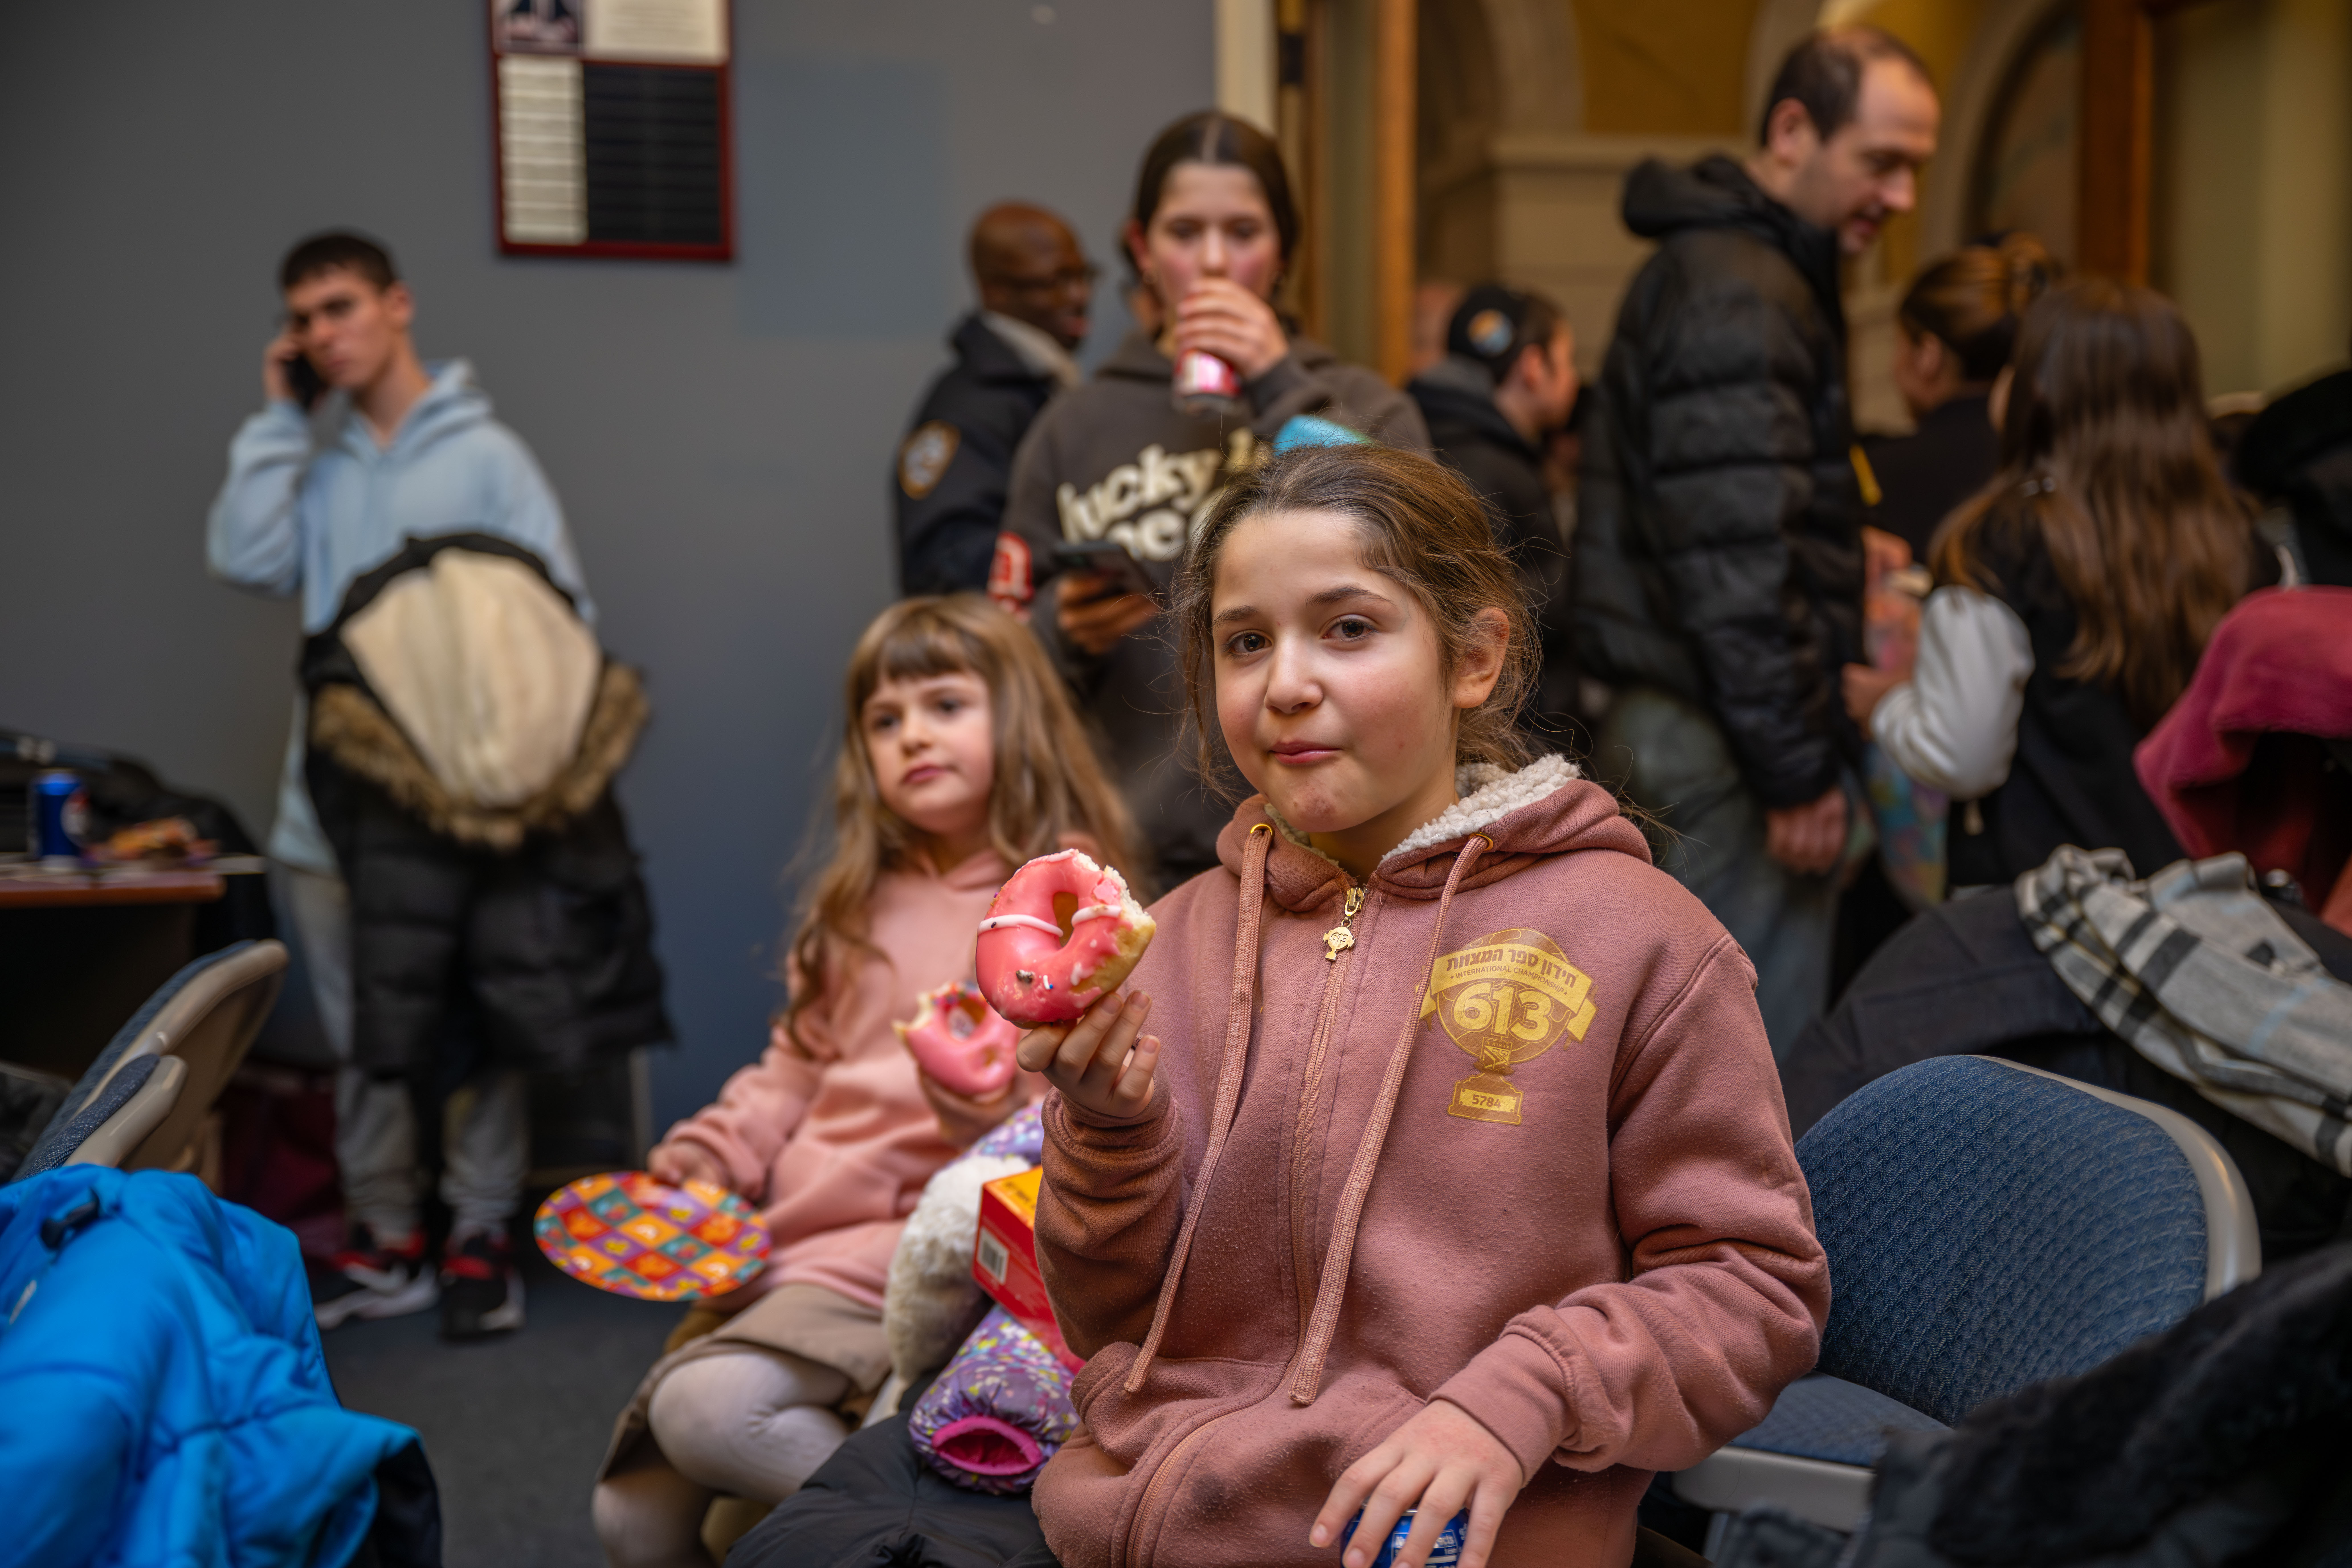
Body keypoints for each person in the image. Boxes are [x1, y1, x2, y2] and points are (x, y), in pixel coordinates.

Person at [1015, 445, 1828, 1568]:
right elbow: (1113, 1324)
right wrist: (1108, 1132)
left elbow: (1753, 1288)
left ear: (1476, 657)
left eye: (1349, 628)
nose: (1287, 681)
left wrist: (1524, 1393)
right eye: (1246, 640)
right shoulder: (1176, 940)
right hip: (1143, 1524)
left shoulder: (1641, 938)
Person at [592, 595, 1136, 1568]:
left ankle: (939, 1525)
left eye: (944, 705)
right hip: (784, 1243)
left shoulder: (1070, 921)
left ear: (1019, 717)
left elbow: (1078, 1123)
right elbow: (790, 1071)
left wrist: (982, 1110)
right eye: (884, 721)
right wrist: (709, 1155)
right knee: (630, 1519)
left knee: (706, 1415)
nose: (912, 735)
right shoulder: (851, 908)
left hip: (915, 1257)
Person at [208, 230, 594, 1337]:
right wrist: (280, 418)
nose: (323, 333)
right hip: (326, 812)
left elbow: (565, 617)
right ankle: (388, 1239)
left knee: (475, 1019)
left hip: (455, 810)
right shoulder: (314, 467)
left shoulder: (489, 458)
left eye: (339, 307)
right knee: (367, 1036)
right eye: (304, 318)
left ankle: (478, 1233)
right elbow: (245, 556)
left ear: (397, 304)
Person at [1574, 28, 1940, 1055]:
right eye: (1882, 161)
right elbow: (1736, 558)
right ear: (1792, 132)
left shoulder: (1736, 266)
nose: (1903, 194)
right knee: (1736, 1064)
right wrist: (1795, 767)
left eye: (1915, 166)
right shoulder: (1743, 286)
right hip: (1725, 730)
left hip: (1700, 711)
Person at [998, 110, 1430, 888]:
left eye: (1243, 232)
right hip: (1131, 850)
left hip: (1338, 843)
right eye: (1184, 233)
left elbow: (1427, 566)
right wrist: (1055, 631)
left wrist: (1278, 386)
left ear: (1284, 253)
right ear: (1141, 249)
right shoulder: (1074, 426)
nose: (1213, 263)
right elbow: (1000, 655)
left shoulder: (1362, 403)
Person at [1843, 280, 2271, 890]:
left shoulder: (1995, 544)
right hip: (2207, 898)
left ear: (2037, 390)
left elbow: (1963, 752)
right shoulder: (2245, 545)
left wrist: (1885, 704)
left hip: (2051, 910)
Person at [1408, 284, 1582, 736]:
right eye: (1568, 360)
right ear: (1532, 368)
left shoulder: (1434, 441)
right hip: (1513, 735)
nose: (1575, 378)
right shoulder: (1496, 471)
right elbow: (1513, 614)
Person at [897, 204, 1095, 598]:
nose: (1079, 295)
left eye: (1083, 276)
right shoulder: (968, 410)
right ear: (996, 292)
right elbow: (945, 564)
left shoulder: (1046, 385)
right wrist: (1065, 577)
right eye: (1056, 281)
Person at [1865, 231, 2058, 558]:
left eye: (1899, 343)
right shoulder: (2052, 463)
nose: (1894, 365)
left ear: (1929, 356)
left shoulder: (1878, 473)